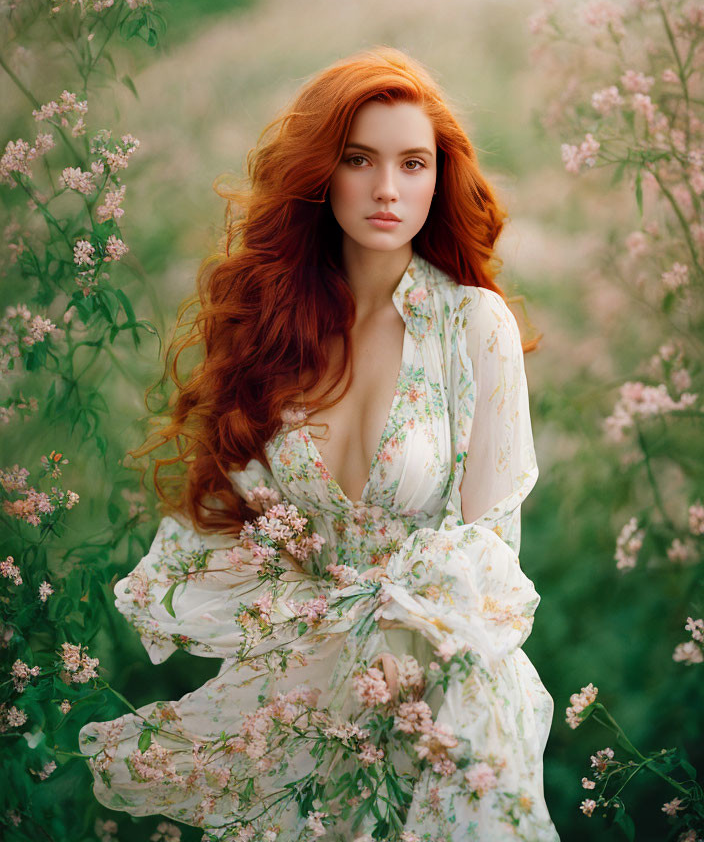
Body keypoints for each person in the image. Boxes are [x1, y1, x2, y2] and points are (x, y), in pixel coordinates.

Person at [78, 45, 560, 841]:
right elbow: (255, 536)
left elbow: (489, 562)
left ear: (439, 178)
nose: (386, 190)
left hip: (442, 697)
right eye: (359, 160)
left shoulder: (473, 327)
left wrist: (415, 690)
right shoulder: (277, 334)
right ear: (319, 174)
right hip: (300, 701)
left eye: (413, 163)